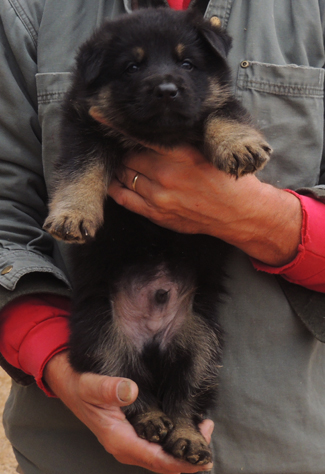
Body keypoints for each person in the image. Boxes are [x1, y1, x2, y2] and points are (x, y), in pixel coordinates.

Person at [0, 1, 325, 473]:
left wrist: (262, 218)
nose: (167, 81)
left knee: (196, 344)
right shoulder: (30, 11)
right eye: (134, 67)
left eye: (186, 64)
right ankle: (144, 411)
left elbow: (221, 113)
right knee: (109, 340)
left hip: (285, 444)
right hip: (74, 446)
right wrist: (49, 355)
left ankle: (185, 423)